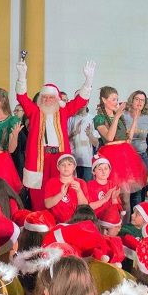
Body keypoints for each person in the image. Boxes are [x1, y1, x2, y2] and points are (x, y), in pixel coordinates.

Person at [15, 59, 94, 211]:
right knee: (38, 192)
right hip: (39, 158)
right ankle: (40, 221)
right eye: (45, 97)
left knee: (60, 188)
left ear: (57, 99)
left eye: (51, 97)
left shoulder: (63, 111)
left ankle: (59, 219)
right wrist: (22, 76)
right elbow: (22, 98)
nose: (48, 100)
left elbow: (80, 101)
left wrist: (88, 80)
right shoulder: (35, 112)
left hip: (59, 157)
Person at [93, 86, 148, 212]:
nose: (116, 102)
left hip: (125, 156)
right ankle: (112, 222)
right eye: (113, 99)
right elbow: (109, 137)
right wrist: (117, 116)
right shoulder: (99, 118)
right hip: (111, 158)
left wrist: (135, 119)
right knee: (113, 196)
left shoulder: (119, 117)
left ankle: (125, 226)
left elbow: (128, 139)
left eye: (117, 99)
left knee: (126, 199)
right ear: (104, 100)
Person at [44, 154, 88, 223]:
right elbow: (47, 204)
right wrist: (61, 194)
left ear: (74, 167)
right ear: (58, 167)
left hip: (76, 221)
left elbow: (84, 207)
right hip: (57, 222)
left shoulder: (81, 183)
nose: (66, 167)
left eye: (69, 164)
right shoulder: (52, 182)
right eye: (63, 164)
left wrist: (79, 191)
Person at [67, 99, 99, 181]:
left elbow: (96, 144)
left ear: (88, 102)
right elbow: (64, 140)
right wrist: (74, 133)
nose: (81, 104)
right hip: (72, 161)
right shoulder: (70, 119)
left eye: (84, 101)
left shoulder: (93, 119)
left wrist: (89, 134)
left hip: (88, 161)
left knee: (87, 189)